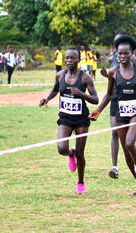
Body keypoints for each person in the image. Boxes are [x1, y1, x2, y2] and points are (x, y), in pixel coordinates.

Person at [90, 34, 136, 197]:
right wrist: (98, 110)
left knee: (129, 142)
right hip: (121, 112)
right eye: (119, 54)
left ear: (132, 53)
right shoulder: (113, 72)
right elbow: (108, 95)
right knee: (126, 150)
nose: (122, 56)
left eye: (126, 53)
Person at [39, 47, 98, 194]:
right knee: (61, 148)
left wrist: (81, 94)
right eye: (67, 58)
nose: (69, 61)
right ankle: (70, 154)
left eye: (72, 58)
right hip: (65, 117)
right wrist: (46, 98)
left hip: (81, 119)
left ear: (78, 60)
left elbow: (96, 99)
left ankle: (80, 182)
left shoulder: (85, 78)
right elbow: (55, 90)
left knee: (81, 152)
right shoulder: (60, 75)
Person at [100, 33, 136, 180]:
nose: (120, 55)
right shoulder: (112, 60)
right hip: (116, 101)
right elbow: (112, 82)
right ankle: (115, 166)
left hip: (133, 102)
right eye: (118, 51)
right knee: (116, 133)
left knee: (129, 138)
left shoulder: (134, 62)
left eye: (124, 52)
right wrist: (107, 76)